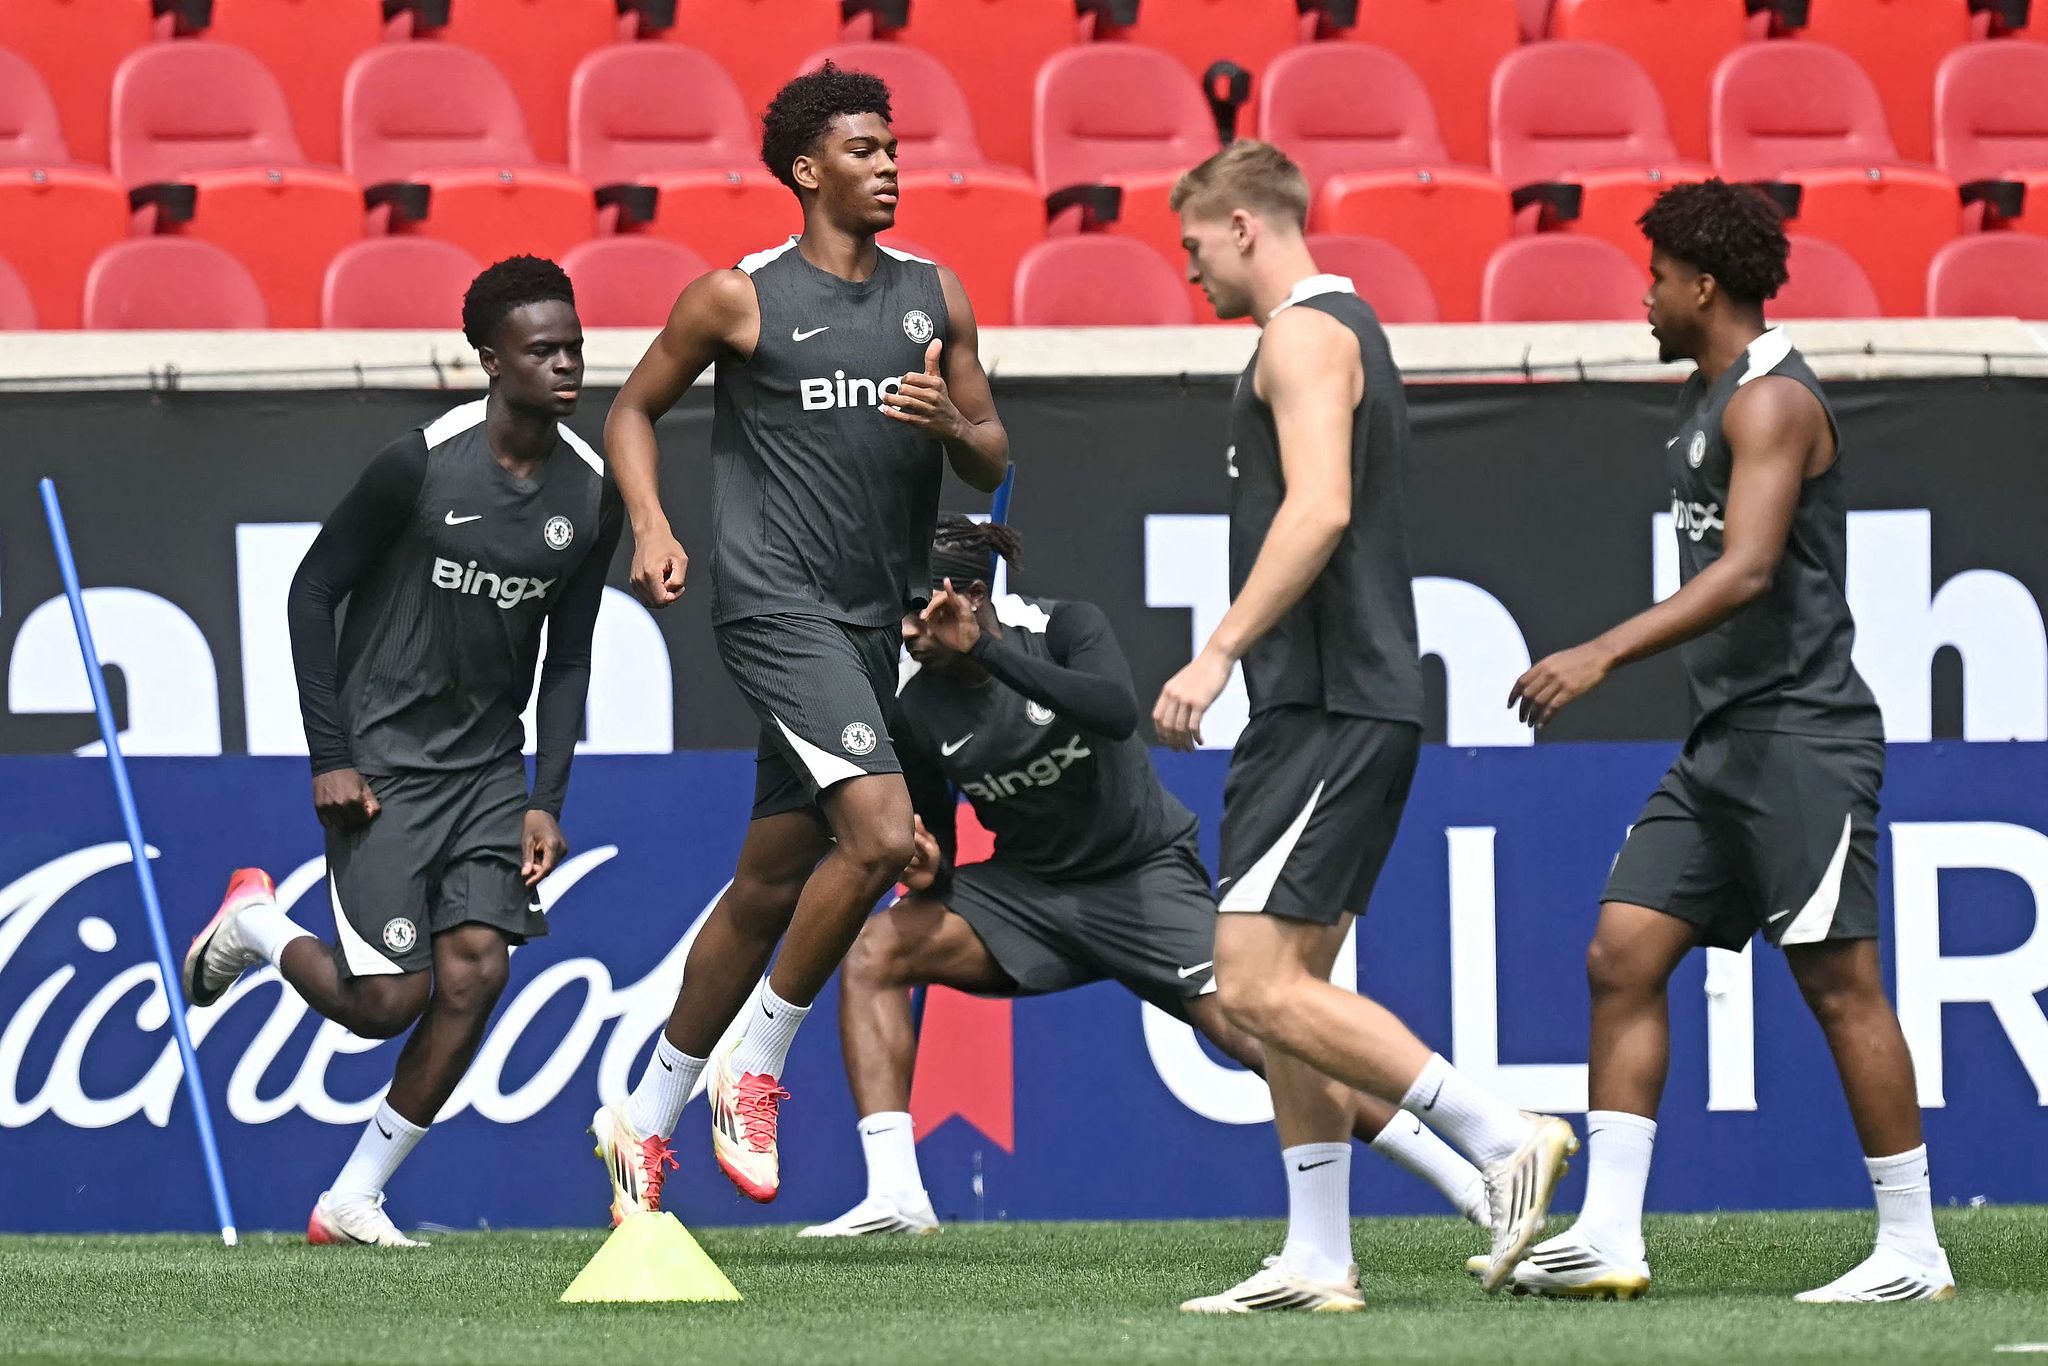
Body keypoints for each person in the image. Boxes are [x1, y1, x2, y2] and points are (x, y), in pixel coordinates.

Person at [1489, 180, 1953, 1304]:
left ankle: (1910, 1248)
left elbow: (1745, 570)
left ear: (1701, 284)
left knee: (1838, 981)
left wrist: (1598, 652)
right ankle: (1606, 1233)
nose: (1640, 298)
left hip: (1801, 734)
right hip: (1724, 743)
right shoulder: (1703, 400)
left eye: (1652, 277)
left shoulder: (1769, 402)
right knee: (1622, 953)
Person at [800, 517, 1489, 1242]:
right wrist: (932, 862)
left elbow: (1114, 711)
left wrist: (991, 652)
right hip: (1027, 892)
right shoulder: (910, 702)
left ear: (972, 597)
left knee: (1265, 1038)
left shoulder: (1065, 626)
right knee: (876, 951)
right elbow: (934, 829)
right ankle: (898, 1196)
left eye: (918, 610)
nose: (905, 629)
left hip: (1141, 880)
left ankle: (1472, 1182)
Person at [1154, 140, 1578, 1312]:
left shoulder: (1298, 333)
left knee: (1247, 984)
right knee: (1291, 982)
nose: (1186, 268)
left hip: (1326, 702)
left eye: (1193, 243)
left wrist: (1216, 649)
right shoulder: (1343, 327)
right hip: (1347, 699)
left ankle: (1500, 1138)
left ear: (1244, 226)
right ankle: (1317, 1255)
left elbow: (1321, 506)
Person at [592, 63, 1009, 1222]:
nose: (888, 165)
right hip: (774, 604)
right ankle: (755, 1060)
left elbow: (989, 448)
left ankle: (644, 1113)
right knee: (879, 837)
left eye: (892, 147)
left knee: (773, 877)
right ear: (805, 169)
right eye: (864, 149)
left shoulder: (935, 293)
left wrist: (952, 424)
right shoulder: (739, 297)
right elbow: (630, 407)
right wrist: (652, 521)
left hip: (873, 621)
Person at [182, 257, 622, 1247]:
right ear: (488, 359)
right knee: (385, 1002)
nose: (565, 365)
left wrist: (543, 796)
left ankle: (353, 1197)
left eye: (574, 346)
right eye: (541, 350)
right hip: (381, 766)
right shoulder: (419, 464)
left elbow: (572, 656)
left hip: (485, 776)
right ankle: (256, 924)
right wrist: (329, 751)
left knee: (476, 973)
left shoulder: (591, 498)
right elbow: (310, 591)